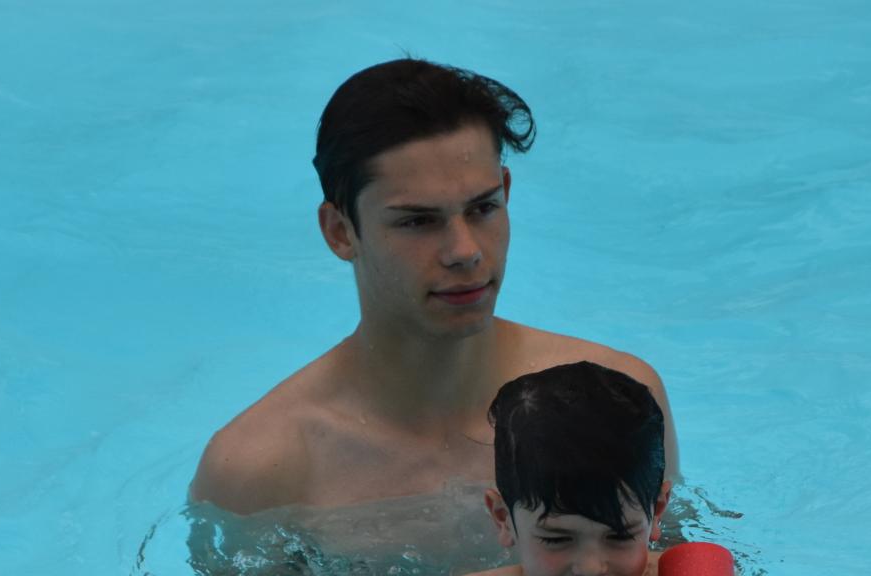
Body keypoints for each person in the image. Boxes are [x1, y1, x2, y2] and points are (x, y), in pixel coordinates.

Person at [190, 59, 680, 518]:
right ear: (340, 232)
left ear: (506, 192)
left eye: (483, 208)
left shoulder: (616, 404)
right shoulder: (261, 471)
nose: (464, 251)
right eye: (418, 221)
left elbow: (683, 565)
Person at [413, 361, 812, 576]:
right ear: (503, 518)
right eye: (557, 539)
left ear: (657, 512)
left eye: (619, 536)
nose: (591, 568)